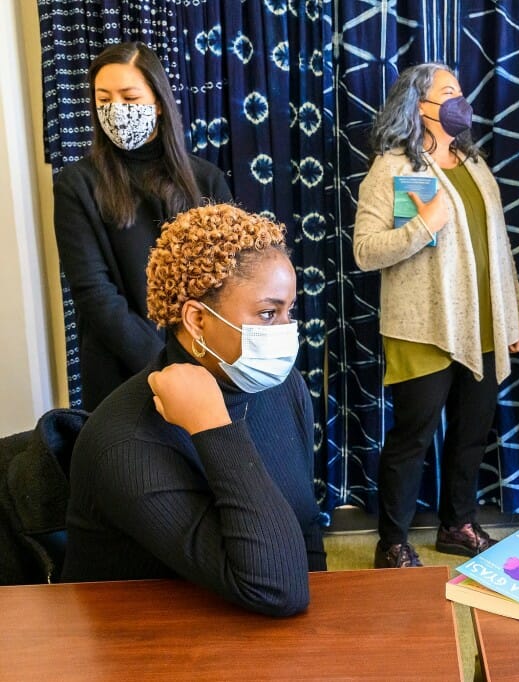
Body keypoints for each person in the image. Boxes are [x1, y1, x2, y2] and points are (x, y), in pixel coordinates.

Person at [62, 204, 326, 617]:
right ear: (197, 320)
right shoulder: (125, 442)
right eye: (267, 313)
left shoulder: (282, 387)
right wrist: (213, 427)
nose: (286, 332)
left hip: (243, 629)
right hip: (145, 650)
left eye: (289, 311)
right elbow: (276, 588)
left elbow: (303, 526)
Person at [354, 64, 519, 568]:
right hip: (422, 327)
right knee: (413, 438)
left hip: (485, 325)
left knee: (472, 432)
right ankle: (393, 542)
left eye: (461, 91)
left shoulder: (475, 166)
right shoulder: (394, 168)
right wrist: (422, 227)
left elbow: (501, 248)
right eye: (449, 92)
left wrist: (512, 313)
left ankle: (457, 525)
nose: (461, 101)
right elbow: (365, 250)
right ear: (420, 107)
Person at [53, 41, 232, 410]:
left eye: (129, 98)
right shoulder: (77, 184)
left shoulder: (206, 180)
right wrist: (165, 365)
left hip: (204, 369)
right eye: (103, 100)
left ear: (159, 103)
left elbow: (228, 281)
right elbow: (94, 293)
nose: (116, 110)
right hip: (121, 376)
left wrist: (201, 364)